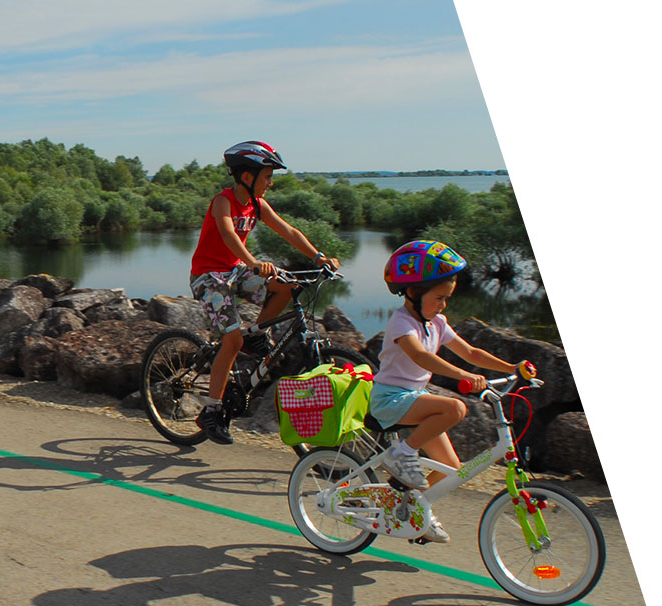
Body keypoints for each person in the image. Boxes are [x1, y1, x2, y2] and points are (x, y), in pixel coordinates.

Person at [373, 240, 528, 543]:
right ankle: (401, 453)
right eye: (439, 297)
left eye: (448, 298)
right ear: (414, 293)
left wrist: (512, 368)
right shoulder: (401, 322)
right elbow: (421, 357)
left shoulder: (437, 323)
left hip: (413, 399)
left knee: (450, 468)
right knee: (455, 408)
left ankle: (416, 508)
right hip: (389, 399)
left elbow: (471, 352)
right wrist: (464, 376)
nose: (444, 304)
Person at [190, 141, 340, 445]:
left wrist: (319, 257)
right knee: (232, 340)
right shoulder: (224, 201)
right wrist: (254, 263)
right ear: (247, 176)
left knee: (287, 285)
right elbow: (228, 233)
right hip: (208, 276)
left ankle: (257, 335)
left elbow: (289, 231)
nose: (270, 182)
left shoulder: (257, 204)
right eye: (267, 176)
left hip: (235, 272)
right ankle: (210, 411)